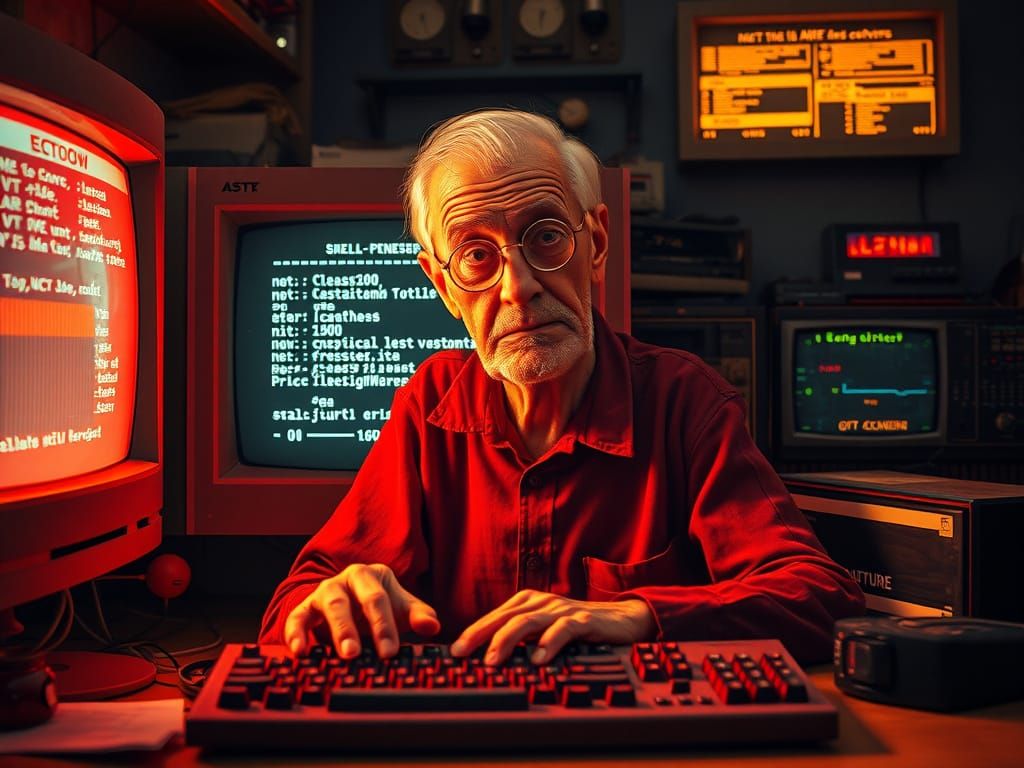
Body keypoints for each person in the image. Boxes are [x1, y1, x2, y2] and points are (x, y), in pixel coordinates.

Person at [259, 108, 863, 665]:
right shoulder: (429, 404)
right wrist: (331, 600)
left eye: (546, 235)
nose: (517, 287)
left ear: (596, 244)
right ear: (442, 287)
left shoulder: (686, 401)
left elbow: (818, 596)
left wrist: (639, 615)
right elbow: (292, 611)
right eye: (475, 255)